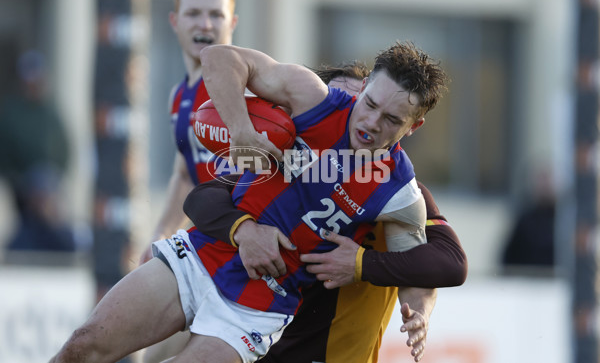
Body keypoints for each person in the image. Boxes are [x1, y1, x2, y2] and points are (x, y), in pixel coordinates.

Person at [50, 41, 451, 363]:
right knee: (83, 347)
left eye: (391, 120)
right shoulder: (312, 98)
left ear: (413, 127)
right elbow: (220, 58)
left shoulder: (399, 192)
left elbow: (415, 268)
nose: (371, 123)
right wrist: (241, 129)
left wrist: (419, 313)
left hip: (259, 304)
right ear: (362, 89)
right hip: (203, 255)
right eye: (370, 105)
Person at [182, 62, 466, 363]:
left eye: (363, 105)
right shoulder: (287, 163)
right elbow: (202, 197)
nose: (363, 121)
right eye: (338, 105)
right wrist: (245, 230)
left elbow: (447, 262)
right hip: (259, 341)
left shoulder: (396, 193)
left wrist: (363, 265)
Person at [137, 0, 238, 361]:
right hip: (201, 256)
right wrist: (160, 234)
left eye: (216, 14)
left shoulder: (251, 91)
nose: (206, 24)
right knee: (150, 353)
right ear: (175, 21)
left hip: (246, 266)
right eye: (194, 13)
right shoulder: (179, 94)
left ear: (233, 22)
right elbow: (185, 173)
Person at [0, 49, 74, 252]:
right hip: (23, 191)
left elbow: (65, 151)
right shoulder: (12, 113)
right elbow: (5, 156)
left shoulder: (51, 113)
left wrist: (54, 182)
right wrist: (22, 185)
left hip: (50, 184)